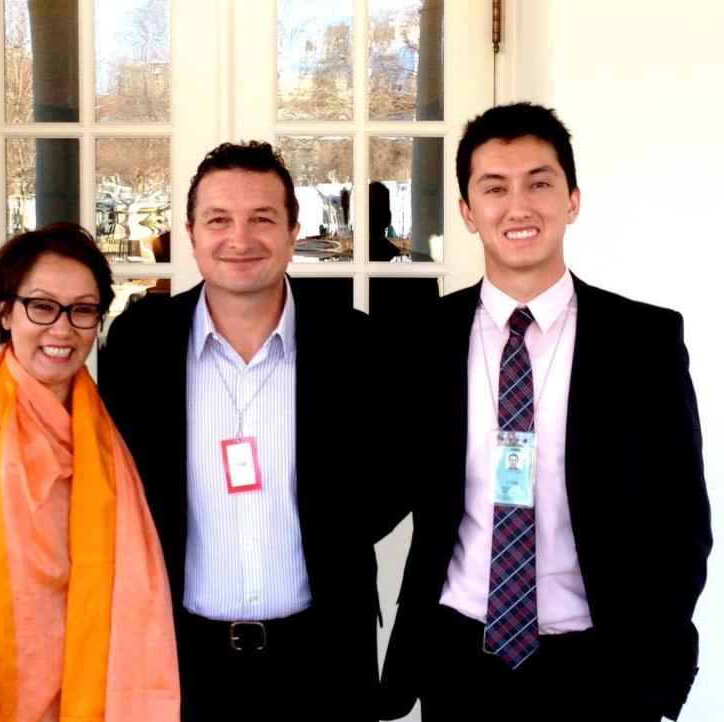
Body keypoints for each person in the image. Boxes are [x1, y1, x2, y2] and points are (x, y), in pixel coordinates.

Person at [379, 103, 711, 722]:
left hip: (601, 668)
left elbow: (682, 520)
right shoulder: (421, 339)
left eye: (540, 183)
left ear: (572, 200)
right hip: (458, 661)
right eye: (494, 187)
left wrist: (655, 664)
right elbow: (379, 485)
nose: (519, 206)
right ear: (467, 212)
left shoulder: (644, 340)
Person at [100, 141, 401, 722]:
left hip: (323, 663)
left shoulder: (356, 344)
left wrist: (331, 527)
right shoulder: (141, 344)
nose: (240, 239)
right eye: (219, 220)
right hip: (178, 663)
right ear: (191, 233)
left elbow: (397, 469)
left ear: (293, 232)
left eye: (262, 219)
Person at [0, 223, 179, 722]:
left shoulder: (127, 429)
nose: (62, 329)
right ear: (6, 310)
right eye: (42, 306)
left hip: (109, 695)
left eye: (83, 309)